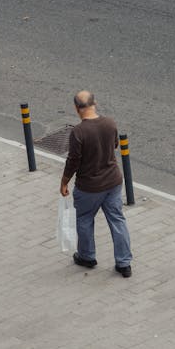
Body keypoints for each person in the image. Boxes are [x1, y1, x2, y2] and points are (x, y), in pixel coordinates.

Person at [60, 91, 133, 278]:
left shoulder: (78, 132)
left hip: (89, 187)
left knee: (84, 220)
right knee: (117, 220)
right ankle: (124, 263)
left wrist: (64, 182)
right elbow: (115, 145)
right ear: (95, 103)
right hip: (113, 182)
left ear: (77, 109)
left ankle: (87, 256)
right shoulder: (110, 123)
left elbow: (73, 161)